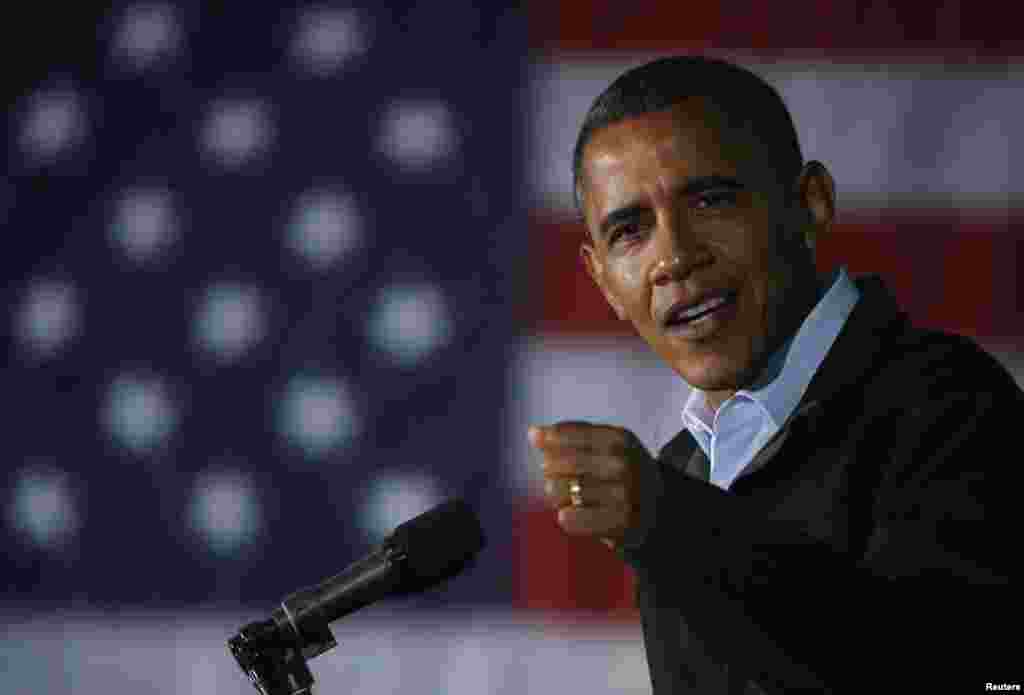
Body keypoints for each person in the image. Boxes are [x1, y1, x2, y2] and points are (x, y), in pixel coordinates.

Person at [527, 55, 1020, 694]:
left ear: (809, 204)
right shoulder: (680, 474)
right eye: (630, 231)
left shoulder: (951, 402)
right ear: (602, 282)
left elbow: (969, 675)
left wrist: (673, 527)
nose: (673, 256)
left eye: (709, 199)